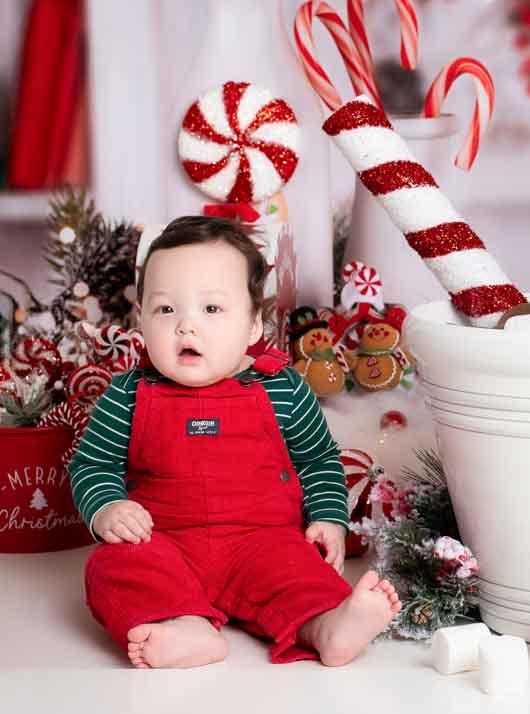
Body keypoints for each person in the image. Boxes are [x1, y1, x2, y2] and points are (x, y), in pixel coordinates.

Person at [69, 216, 400, 669]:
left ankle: (328, 626)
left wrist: (328, 518)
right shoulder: (127, 394)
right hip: (163, 543)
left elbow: (318, 460)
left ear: (251, 328)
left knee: (300, 571)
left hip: (262, 544)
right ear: (141, 319)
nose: (186, 327)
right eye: (165, 310)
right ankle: (185, 625)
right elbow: (92, 465)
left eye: (211, 310)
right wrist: (106, 507)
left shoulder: (282, 387)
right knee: (111, 566)